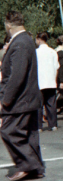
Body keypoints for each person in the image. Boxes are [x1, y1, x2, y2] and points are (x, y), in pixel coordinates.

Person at [0, 11, 45, 180]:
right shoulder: (26, 40)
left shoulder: (19, 43)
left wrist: (5, 100)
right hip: (29, 98)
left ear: (8, 24)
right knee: (29, 134)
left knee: (9, 131)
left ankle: (27, 164)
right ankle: (36, 167)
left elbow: (16, 76)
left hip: (20, 99)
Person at [35, 33, 59, 132]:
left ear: (39, 39)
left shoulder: (35, 52)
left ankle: (39, 126)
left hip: (39, 82)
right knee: (51, 104)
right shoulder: (53, 52)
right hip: (51, 81)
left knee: (38, 105)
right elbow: (56, 67)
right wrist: (55, 79)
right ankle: (53, 125)